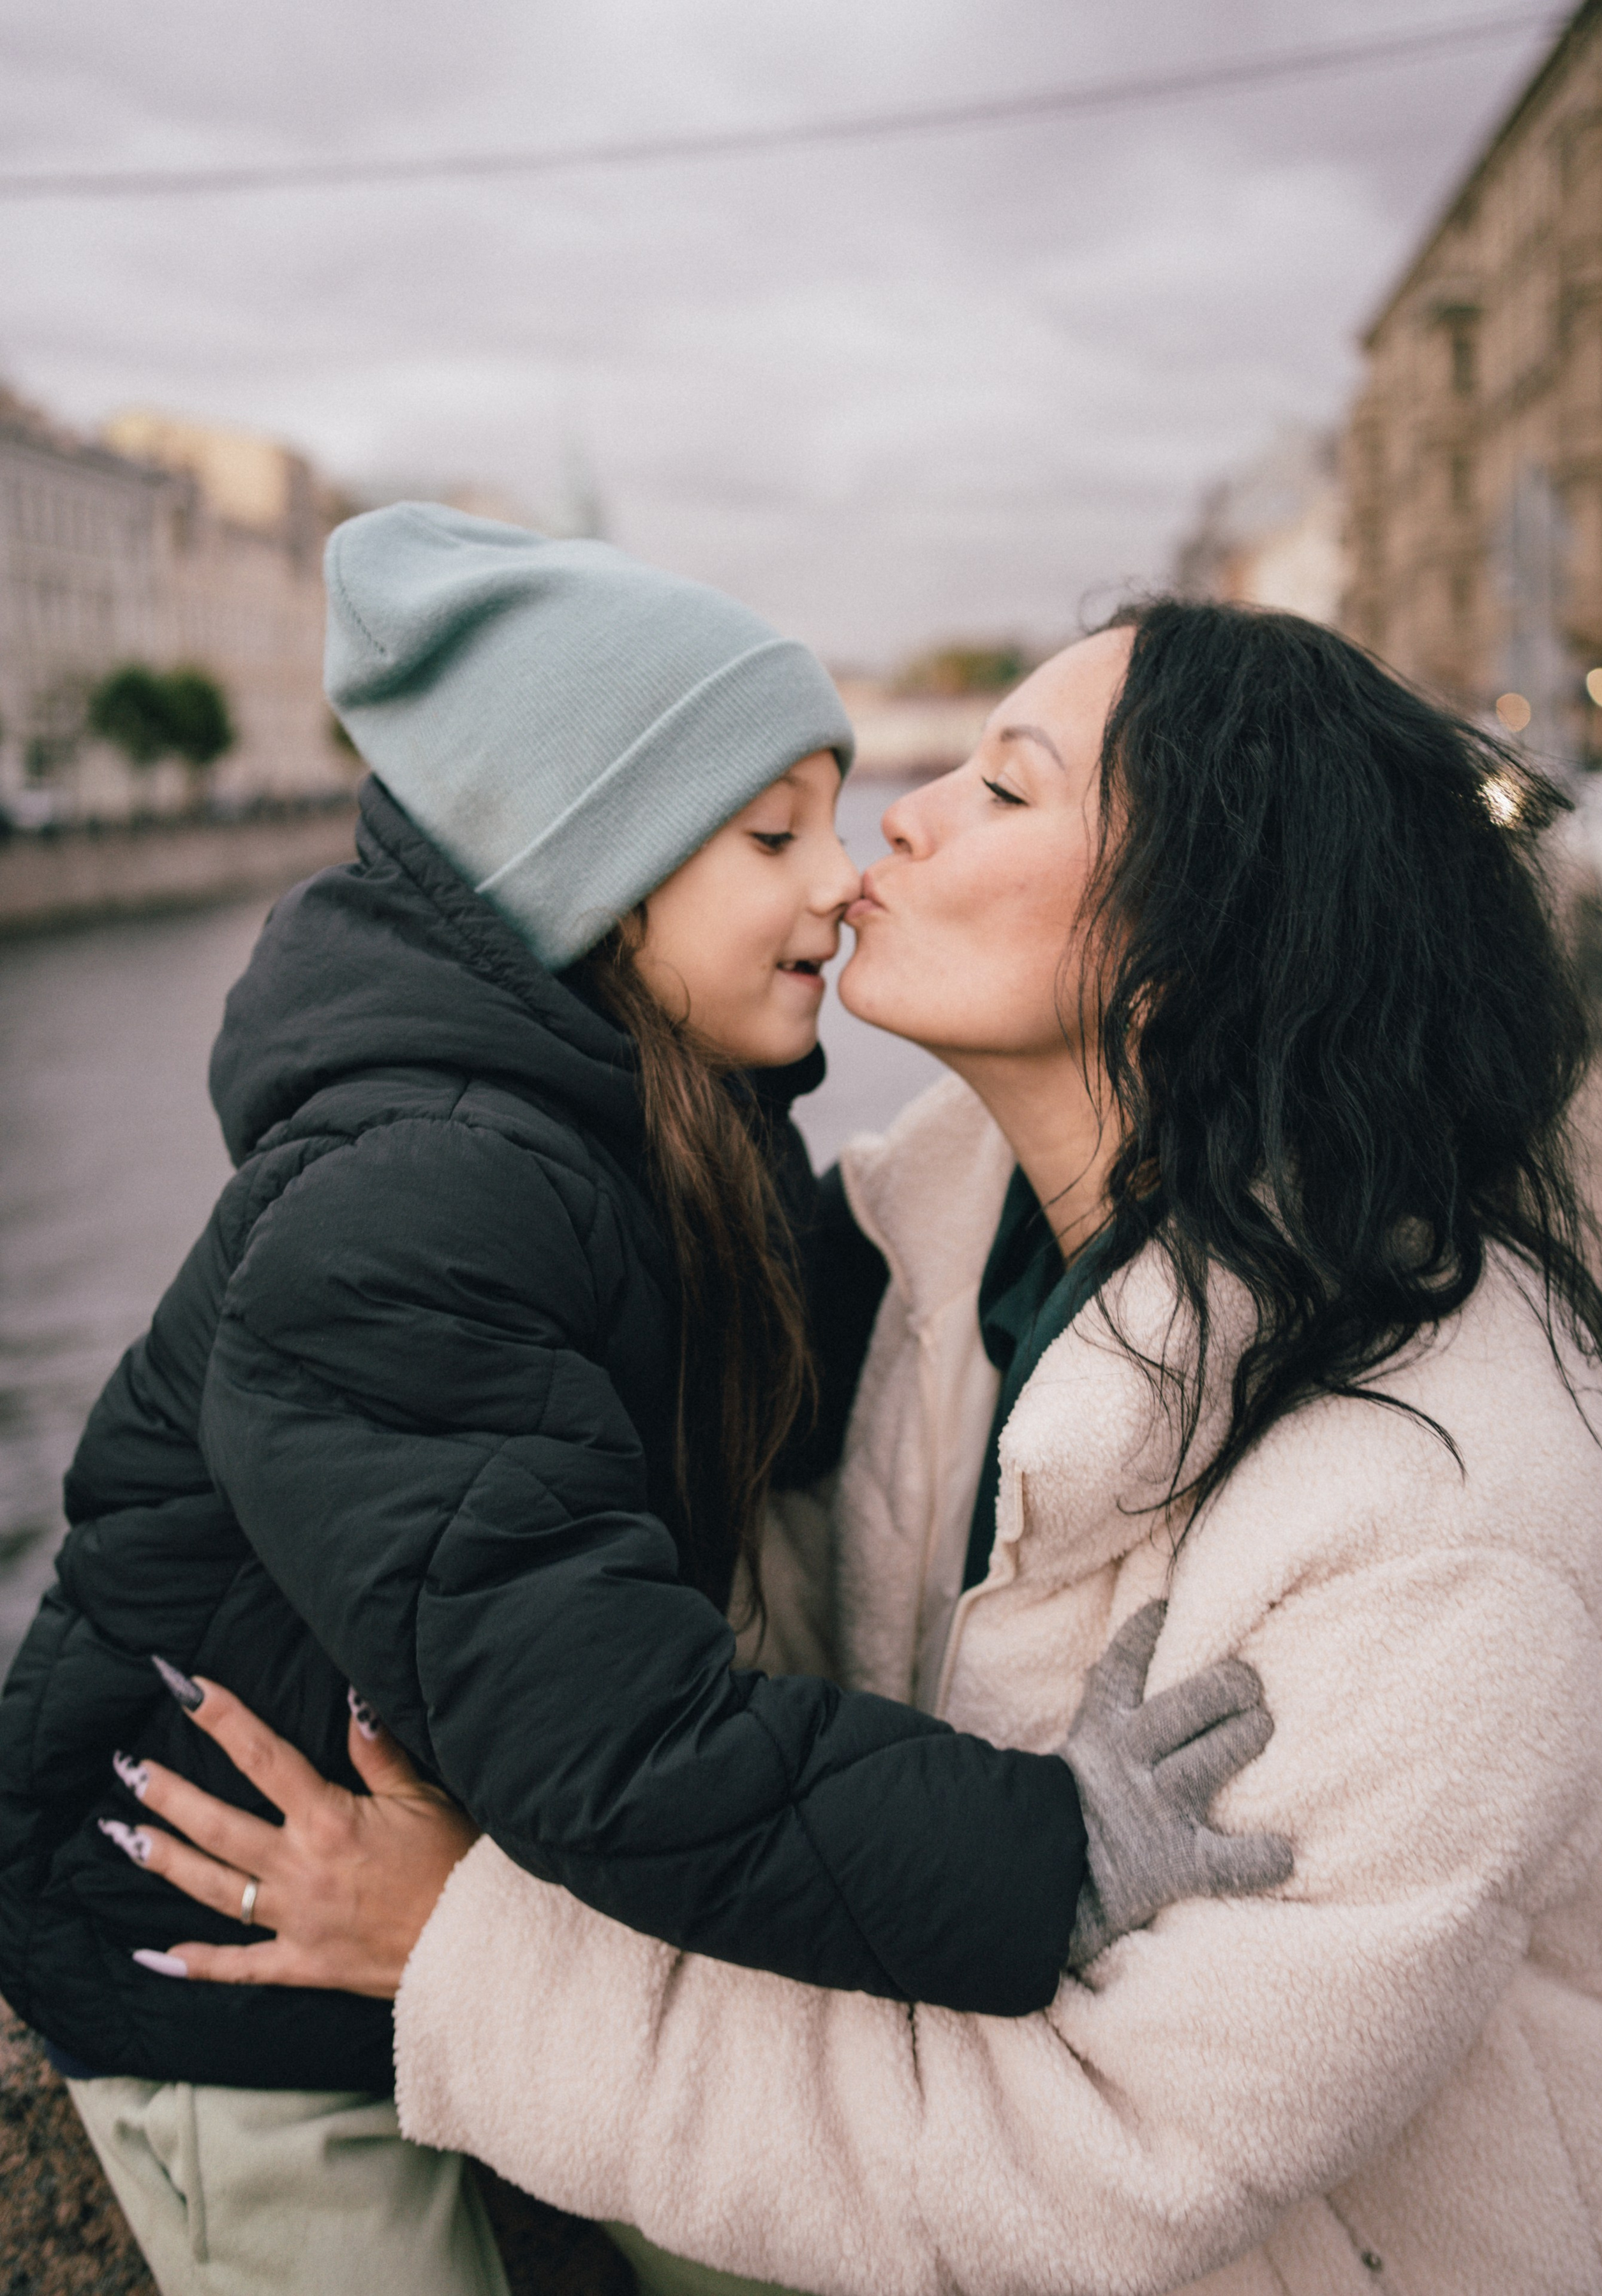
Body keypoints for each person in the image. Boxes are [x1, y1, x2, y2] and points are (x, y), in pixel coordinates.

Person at [140, 600, 1602, 2296]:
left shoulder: (1443, 1514)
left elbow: (1095, 2163)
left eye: (1003, 789)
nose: (896, 824)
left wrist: (459, 1952)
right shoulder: (917, 1239)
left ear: (1203, 935)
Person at [0, 519, 1285, 2296]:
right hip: (226, 1962)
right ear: (585, 873)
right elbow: (619, 1740)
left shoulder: (655, 1138)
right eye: (773, 834)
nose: (839, 882)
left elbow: (845, 1350)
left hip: (494, 1886)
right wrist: (1051, 1850)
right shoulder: (410, 1206)